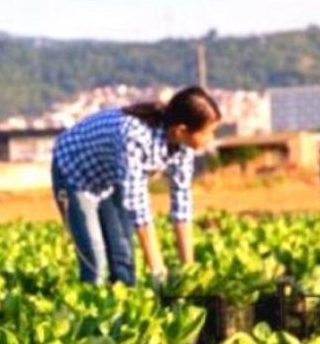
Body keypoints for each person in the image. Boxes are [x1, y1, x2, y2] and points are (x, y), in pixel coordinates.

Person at [50, 87, 222, 286]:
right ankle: (90, 308)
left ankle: (121, 312)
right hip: (74, 174)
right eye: (208, 133)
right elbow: (138, 206)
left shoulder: (184, 146)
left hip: (111, 178)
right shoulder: (134, 135)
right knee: (96, 261)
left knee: (122, 257)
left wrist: (189, 270)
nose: (211, 138)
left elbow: (181, 204)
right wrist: (157, 269)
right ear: (181, 129)